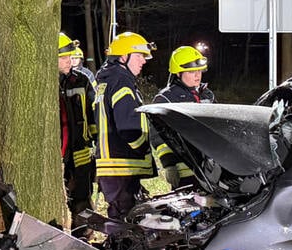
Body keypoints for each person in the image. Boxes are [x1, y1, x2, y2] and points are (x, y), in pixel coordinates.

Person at [95, 32, 157, 220]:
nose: (144, 61)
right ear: (123, 57)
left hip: (112, 164)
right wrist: (143, 147)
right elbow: (128, 125)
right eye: (139, 56)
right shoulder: (121, 81)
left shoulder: (106, 80)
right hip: (122, 163)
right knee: (125, 222)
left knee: (121, 217)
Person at [151, 45, 215, 189]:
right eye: (192, 71)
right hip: (184, 173)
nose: (197, 75)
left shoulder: (207, 95)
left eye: (199, 70)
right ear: (178, 73)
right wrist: (168, 164)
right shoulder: (166, 99)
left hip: (212, 172)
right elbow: (157, 135)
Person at [57, 33, 97, 231]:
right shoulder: (45, 84)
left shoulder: (81, 81)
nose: (69, 61)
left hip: (80, 151)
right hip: (58, 154)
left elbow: (92, 113)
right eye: (64, 57)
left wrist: (95, 140)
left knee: (82, 194)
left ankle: (83, 234)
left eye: (70, 57)